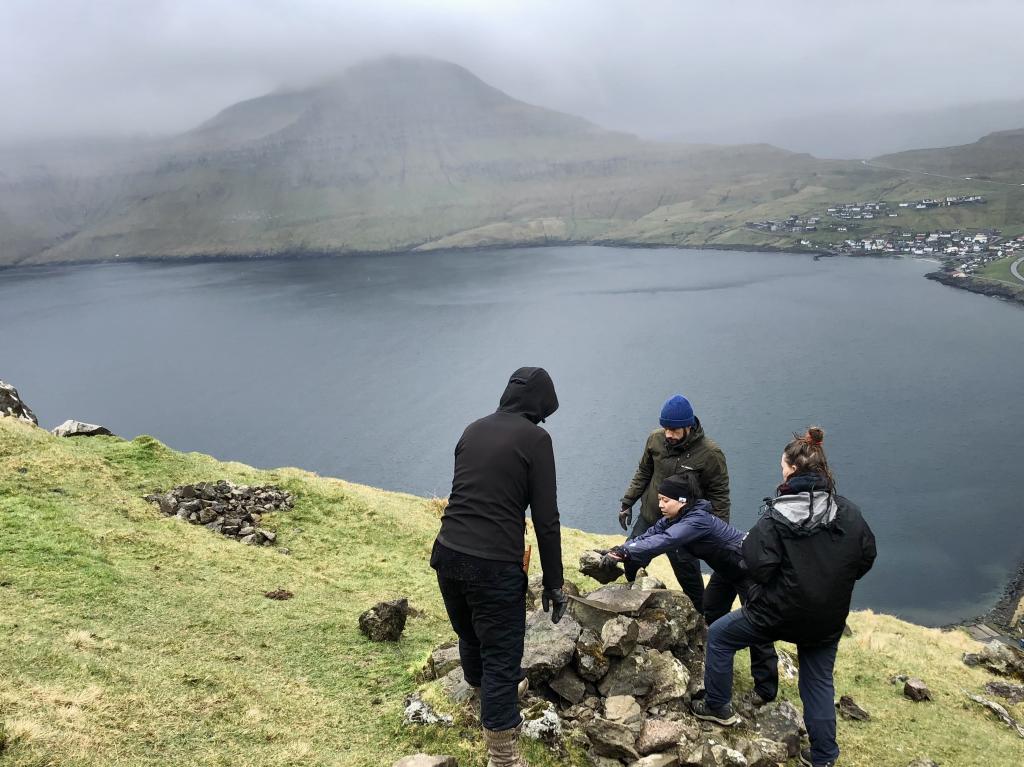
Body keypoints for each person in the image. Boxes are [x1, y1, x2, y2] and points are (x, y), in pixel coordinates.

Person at [691, 427, 877, 767]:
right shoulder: (849, 513)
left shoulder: (777, 515)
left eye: (782, 465)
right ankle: (823, 756)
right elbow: (865, 558)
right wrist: (832, 586)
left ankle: (717, 706)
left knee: (719, 636)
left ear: (791, 469)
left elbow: (756, 565)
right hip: (826, 617)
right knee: (817, 680)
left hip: (776, 613)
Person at [431, 367, 567, 767]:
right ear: (539, 407)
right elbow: (546, 520)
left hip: (447, 555)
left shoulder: (473, 429)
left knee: (471, 638)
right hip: (493, 567)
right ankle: (503, 757)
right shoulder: (537, 439)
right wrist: (554, 583)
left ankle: (481, 700)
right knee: (503, 659)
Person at [602, 472, 778, 705]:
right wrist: (620, 549)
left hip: (749, 572)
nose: (660, 504)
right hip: (726, 572)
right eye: (660, 498)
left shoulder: (696, 520)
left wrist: (626, 552)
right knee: (712, 617)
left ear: (683, 500)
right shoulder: (675, 518)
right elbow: (651, 535)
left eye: (666, 500)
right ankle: (715, 673)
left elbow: (666, 540)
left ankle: (765, 691)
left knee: (757, 626)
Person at [619, 394, 732, 614]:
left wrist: (717, 532)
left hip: (684, 528)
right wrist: (627, 501)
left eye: (675, 430)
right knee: (631, 560)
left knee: (691, 584)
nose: (669, 435)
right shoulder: (655, 439)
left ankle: (703, 625)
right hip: (650, 518)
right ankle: (630, 608)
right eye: (666, 429)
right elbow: (644, 471)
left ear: (688, 427)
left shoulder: (710, 454)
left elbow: (719, 495)